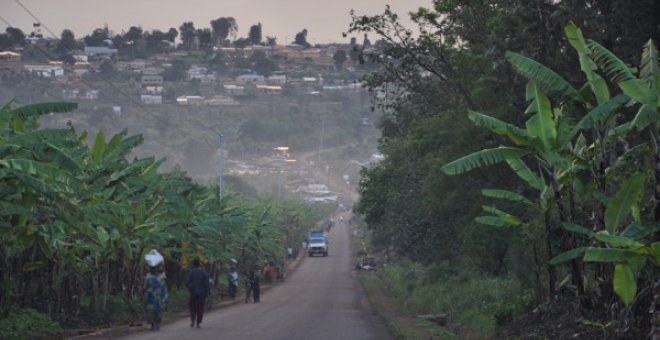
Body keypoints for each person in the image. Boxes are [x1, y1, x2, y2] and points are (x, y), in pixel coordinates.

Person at [144, 265, 169, 331]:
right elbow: (145, 286)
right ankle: (153, 324)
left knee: (157, 311)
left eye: (154, 269)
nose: (153, 270)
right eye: (152, 269)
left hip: (157, 297)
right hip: (151, 296)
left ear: (156, 269)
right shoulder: (148, 277)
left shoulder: (160, 277)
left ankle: (157, 324)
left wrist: (165, 297)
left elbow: (164, 287)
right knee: (150, 311)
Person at [186, 258, 209, 328]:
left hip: (193, 292)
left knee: (192, 306)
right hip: (202, 293)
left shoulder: (191, 272)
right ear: (199, 264)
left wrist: (190, 289)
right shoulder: (204, 272)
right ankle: (198, 322)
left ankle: (193, 319)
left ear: (193, 264)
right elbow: (206, 284)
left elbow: (187, 283)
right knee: (200, 307)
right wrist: (207, 292)